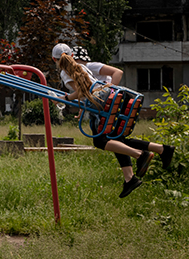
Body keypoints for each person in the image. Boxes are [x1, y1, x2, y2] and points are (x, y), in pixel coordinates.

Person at [52, 43, 175, 198]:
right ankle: (139, 170)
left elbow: (82, 90)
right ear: (72, 56)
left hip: (103, 104)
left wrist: (65, 98)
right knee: (116, 139)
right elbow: (88, 88)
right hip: (113, 97)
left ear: (54, 59)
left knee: (101, 141)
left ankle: (140, 155)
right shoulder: (81, 67)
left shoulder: (65, 73)